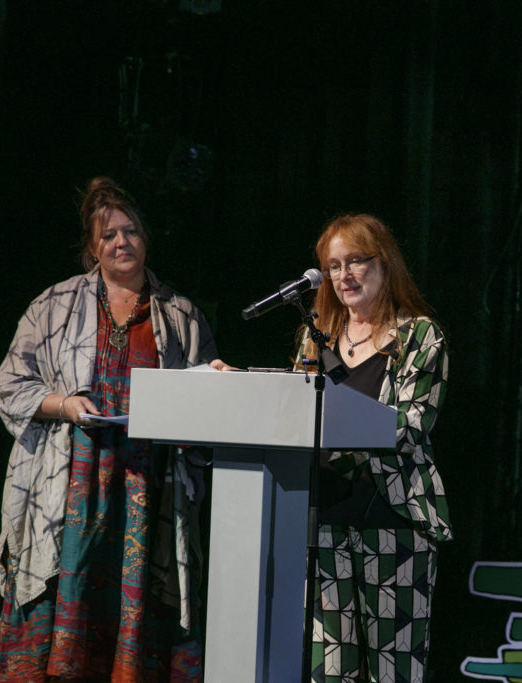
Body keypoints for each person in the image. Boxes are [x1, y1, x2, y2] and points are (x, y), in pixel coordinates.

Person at [0, 177, 218, 682]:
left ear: (146, 238)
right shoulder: (53, 306)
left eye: (130, 231)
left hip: (145, 487)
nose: (121, 243)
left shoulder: (180, 315)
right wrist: (67, 406)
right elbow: (10, 386)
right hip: (70, 483)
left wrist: (212, 389)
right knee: (60, 598)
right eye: (109, 235)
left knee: (140, 605)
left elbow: (205, 413)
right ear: (93, 247)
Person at [214, 213, 451, 682]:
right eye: (334, 265)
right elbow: (294, 409)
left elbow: (412, 423)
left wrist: (335, 415)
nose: (344, 275)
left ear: (385, 266)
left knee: (393, 669)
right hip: (322, 518)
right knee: (331, 671)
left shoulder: (420, 336)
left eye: (356, 261)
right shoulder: (316, 336)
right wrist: (242, 385)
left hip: (393, 519)